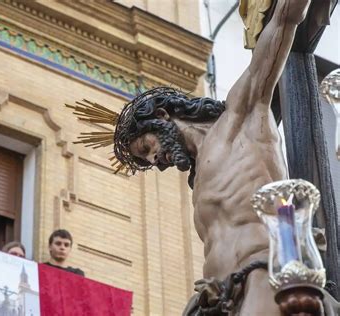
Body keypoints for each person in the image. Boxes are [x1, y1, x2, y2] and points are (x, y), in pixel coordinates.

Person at [70, 0, 318, 314]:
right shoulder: (199, 181)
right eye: (146, 161)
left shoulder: (240, 117)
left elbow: (283, 22)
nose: (155, 161)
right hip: (214, 299)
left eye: (147, 148)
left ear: (162, 116)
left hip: (265, 271)